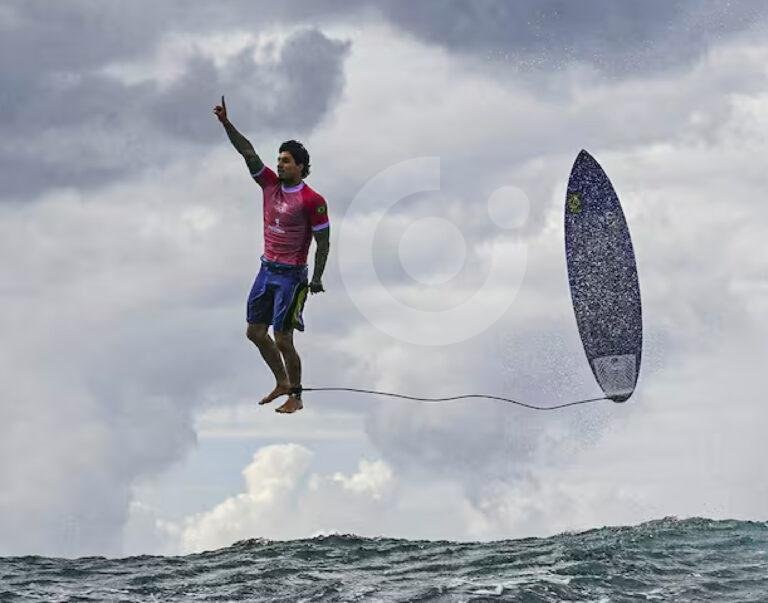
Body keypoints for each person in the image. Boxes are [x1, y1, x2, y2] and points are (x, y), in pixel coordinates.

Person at [213, 96, 330, 414]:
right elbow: (247, 151)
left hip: (292, 277)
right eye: (279, 160)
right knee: (254, 332)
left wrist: (317, 278)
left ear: (301, 167)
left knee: (283, 338)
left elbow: (324, 242)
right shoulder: (268, 185)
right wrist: (226, 124)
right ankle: (281, 381)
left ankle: (296, 395)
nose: (280, 165)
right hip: (266, 270)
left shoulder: (312, 200)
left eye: (287, 161)